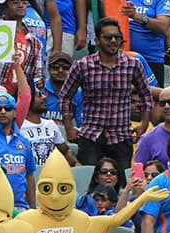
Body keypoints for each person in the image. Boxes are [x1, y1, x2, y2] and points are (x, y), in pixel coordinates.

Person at [60, 17, 153, 172]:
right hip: (91, 135)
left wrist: (143, 124)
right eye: (108, 37)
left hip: (121, 135)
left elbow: (146, 95)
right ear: (97, 40)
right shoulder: (83, 65)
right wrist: (69, 127)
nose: (113, 41)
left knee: (122, 182)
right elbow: (65, 97)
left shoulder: (133, 65)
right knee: (89, 179)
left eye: (117, 37)